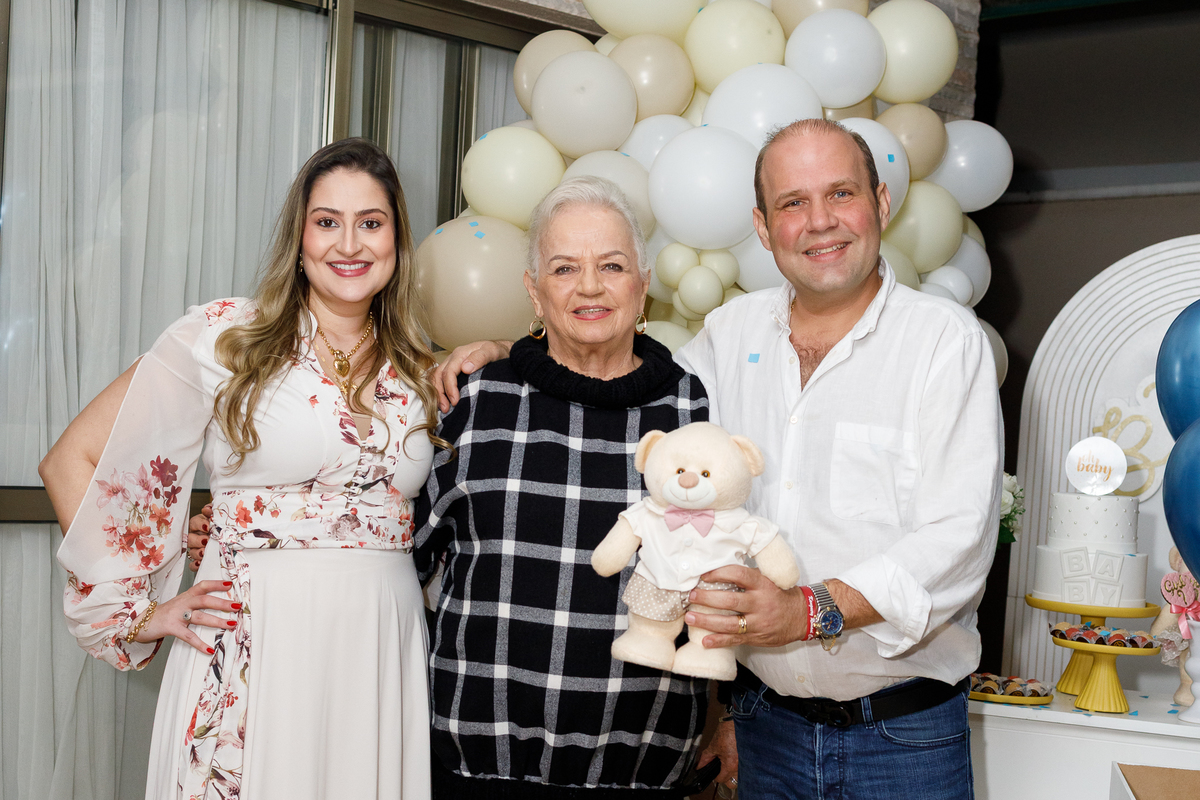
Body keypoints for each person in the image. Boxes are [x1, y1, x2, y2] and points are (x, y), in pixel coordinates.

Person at [432, 119, 1002, 799]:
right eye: (792, 203)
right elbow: (611, 369)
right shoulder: (728, 339)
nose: (819, 221)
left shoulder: (943, 342)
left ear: (880, 203)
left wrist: (809, 610)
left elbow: (958, 539)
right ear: (763, 227)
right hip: (765, 730)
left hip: (902, 739)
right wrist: (512, 354)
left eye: (840, 194)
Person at [41, 138, 442, 800]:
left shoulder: (420, 369)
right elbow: (72, 460)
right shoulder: (226, 339)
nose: (349, 244)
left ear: (397, 238)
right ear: (299, 238)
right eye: (327, 222)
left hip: (378, 651)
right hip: (256, 641)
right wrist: (136, 609)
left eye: (371, 223)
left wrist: (498, 346)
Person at [415, 176, 732, 799]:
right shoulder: (474, 400)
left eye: (612, 265)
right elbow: (400, 558)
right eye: (564, 268)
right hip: (478, 767)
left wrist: (732, 712)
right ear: (534, 291)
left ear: (642, 285)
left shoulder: (693, 409)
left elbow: (727, 577)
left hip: (642, 772)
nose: (590, 286)